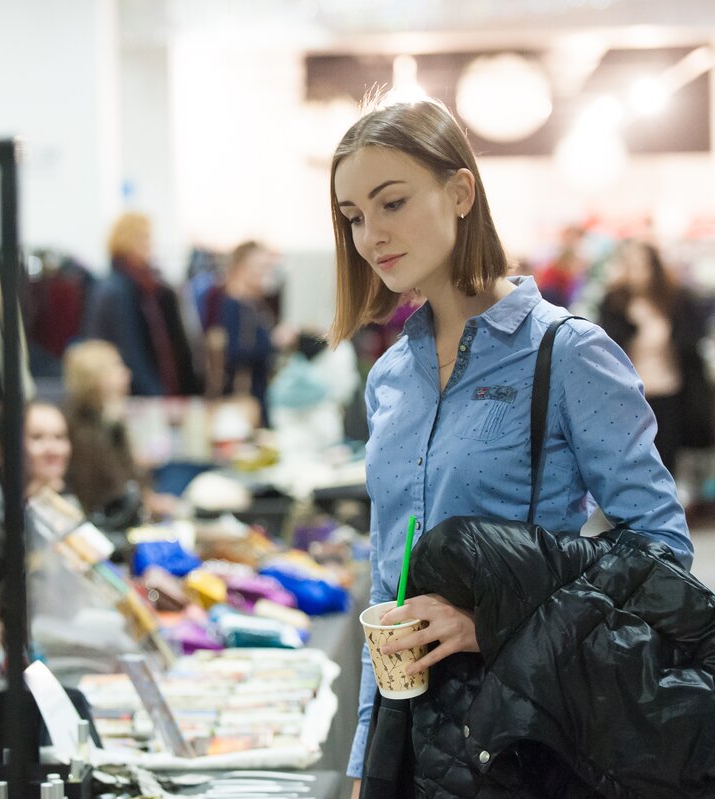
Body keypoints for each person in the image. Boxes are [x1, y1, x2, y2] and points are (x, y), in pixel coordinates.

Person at [325, 98, 693, 795]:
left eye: (392, 202)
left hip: (525, 733)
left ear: (461, 192)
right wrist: (365, 758)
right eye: (353, 217)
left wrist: (489, 621)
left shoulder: (567, 353)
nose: (371, 235)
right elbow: (387, 582)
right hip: (410, 738)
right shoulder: (390, 377)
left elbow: (662, 551)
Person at [598, 238, 714, 476]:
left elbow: (691, 340)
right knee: (635, 459)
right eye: (631, 264)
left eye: (643, 265)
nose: (638, 272)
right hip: (631, 393)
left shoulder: (675, 300)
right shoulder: (614, 303)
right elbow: (607, 347)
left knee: (668, 455)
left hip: (670, 388)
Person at [0, 400, 75, 601]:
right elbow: (1, 585)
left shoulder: (60, 494)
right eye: (37, 438)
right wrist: (30, 508)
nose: (54, 449)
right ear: (3, 451)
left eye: (59, 437)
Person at [83, 211, 201, 397]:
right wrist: (156, 395)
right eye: (143, 237)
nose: (149, 244)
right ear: (127, 239)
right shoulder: (117, 289)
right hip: (134, 393)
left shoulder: (149, 287)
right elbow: (130, 349)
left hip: (153, 391)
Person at [62, 339, 176, 528]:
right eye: (117, 367)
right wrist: (148, 503)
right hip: (104, 525)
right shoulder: (80, 429)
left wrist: (147, 497)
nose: (127, 374)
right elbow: (104, 492)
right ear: (96, 377)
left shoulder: (109, 419)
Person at [208, 240, 296, 426]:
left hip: (256, 395)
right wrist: (273, 341)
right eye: (260, 267)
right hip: (244, 397)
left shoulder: (252, 303)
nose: (265, 273)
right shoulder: (235, 305)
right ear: (241, 268)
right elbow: (234, 352)